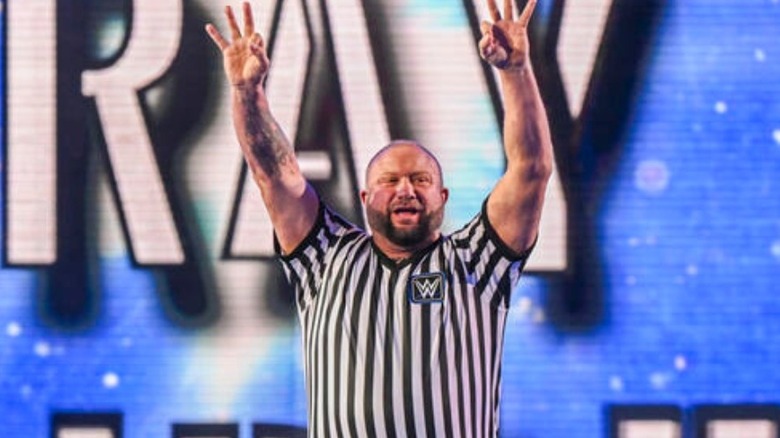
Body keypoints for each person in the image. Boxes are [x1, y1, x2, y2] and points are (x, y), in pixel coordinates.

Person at [206, 0, 553, 436]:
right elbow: (273, 173)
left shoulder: (476, 263)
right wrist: (246, 94)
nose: (405, 189)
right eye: (390, 180)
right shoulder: (324, 258)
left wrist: (516, 71)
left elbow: (531, 170)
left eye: (420, 179)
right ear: (365, 197)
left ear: (442, 196)